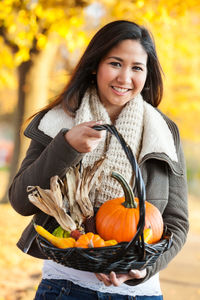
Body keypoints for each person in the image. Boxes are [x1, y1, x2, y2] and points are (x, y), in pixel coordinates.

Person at [9, 20, 188, 300]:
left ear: (147, 74)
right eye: (115, 63)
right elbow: (21, 200)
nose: (125, 78)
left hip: (139, 294)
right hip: (65, 287)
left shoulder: (162, 132)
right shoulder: (59, 121)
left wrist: (141, 269)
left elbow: (176, 223)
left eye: (136, 68)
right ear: (95, 65)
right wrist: (66, 147)